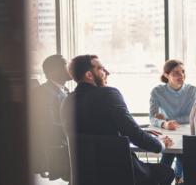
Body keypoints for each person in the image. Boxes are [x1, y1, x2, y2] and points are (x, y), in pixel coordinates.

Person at [62, 55, 174, 185]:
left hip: (85, 176)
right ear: (89, 75)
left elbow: (94, 129)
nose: (107, 72)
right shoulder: (109, 94)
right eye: (101, 69)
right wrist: (159, 144)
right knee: (166, 172)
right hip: (120, 173)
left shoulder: (66, 101)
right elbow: (133, 133)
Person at [149, 59, 196, 185]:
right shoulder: (157, 91)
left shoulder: (191, 90)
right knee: (171, 150)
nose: (181, 75)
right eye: (176, 72)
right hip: (166, 130)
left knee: (179, 151)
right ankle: (175, 178)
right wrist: (163, 124)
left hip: (185, 131)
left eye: (183, 72)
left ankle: (168, 179)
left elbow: (191, 116)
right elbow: (152, 118)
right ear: (166, 75)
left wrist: (166, 120)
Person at [31, 55, 72, 180]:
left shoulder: (63, 89)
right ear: (55, 71)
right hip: (56, 150)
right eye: (66, 65)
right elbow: (49, 125)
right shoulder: (42, 93)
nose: (70, 69)